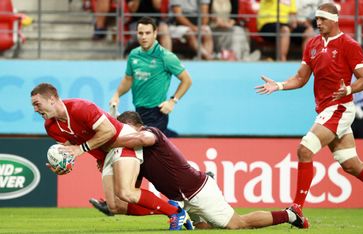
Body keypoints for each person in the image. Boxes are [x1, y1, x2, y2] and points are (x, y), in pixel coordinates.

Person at [255, 2, 363, 227]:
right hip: (326, 109)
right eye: (316, 19)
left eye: (323, 19)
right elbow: (300, 78)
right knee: (351, 164)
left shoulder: (350, 45)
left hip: (340, 107)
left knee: (305, 149)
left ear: (335, 20)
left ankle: (297, 209)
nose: (318, 23)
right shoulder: (313, 45)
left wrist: (348, 89)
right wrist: (278, 85)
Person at [92, 111, 310, 230]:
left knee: (237, 224)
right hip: (181, 197)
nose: (120, 136)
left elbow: (142, 138)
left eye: (123, 130)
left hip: (197, 191)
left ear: (134, 127)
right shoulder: (134, 156)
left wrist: (114, 141)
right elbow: (132, 190)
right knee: (204, 229)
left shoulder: (151, 133)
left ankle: (290, 215)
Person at [30, 83, 192, 230]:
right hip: (107, 153)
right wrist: (62, 165)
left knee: (126, 192)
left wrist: (82, 149)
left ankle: (174, 213)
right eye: (33, 106)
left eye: (37, 104)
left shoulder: (80, 107)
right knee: (116, 206)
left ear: (52, 99)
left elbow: (109, 131)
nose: (35, 109)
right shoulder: (50, 127)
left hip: (123, 141)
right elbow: (71, 149)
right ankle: (172, 210)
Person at [110, 17, 192, 137]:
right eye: (141, 33)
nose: (144, 37)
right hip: (138, 111)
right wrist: (116, 95)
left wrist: (172, 101)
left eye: (148, 33)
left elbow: (187, 80)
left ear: (155, 33)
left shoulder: (165, 56)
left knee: (146, 145)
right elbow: (128, 79)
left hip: (157, 113)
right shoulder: (134, 55)